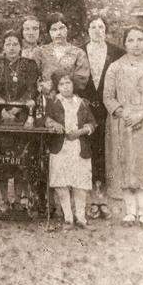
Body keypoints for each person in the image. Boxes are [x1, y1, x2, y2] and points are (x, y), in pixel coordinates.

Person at [103, 27, 143, 230]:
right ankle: (129, 212)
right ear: (125, 43)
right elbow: (108, 97)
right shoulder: (115, 68)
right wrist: (124, 113)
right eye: (131, 40)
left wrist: (142, 114)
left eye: (140, 39)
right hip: (122, 122)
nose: (136, 44)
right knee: (124, 165)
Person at [77, 15, 125, 220]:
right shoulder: (79, 51)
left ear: (106, 30)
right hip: (86, 110)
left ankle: (103, 199)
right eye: (93, 27)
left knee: (104, 154)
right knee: (86, 152)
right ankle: (89, 201)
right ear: (87, 30)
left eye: (101, 27)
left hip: (107, 111)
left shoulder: (117, 52)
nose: (97, 30)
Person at [45, 69, 97, 230]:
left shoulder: (82, 102)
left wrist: (80, 132)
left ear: (73, 85)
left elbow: (92, 123)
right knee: (61, 182)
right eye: (61, 84)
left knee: (80, 182)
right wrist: (54, 124)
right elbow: (46, 119)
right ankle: (68, 218)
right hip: (61, 147)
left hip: (79, 147)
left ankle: (81, 217)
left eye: (68, 83)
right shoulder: (53, 102)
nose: (66, 87)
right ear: (57, 87)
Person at [0, 30, 39, 212]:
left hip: (21, 116)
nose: (11, 48)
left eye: (15, 44)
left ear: (20, 47)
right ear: (3, 47)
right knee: (2, 158)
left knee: (21, 157)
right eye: (8, 44)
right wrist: (2, 107)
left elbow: (32, 89)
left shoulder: (29, 64)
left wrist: (17, 108)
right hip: (1, 116)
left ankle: (19, 199)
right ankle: (5, 200)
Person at [32, 13, 90, 97]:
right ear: (49, 32)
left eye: (61, 28)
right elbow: (32, 77)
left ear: (67, 29)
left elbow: (82, 79)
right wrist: (41, 86)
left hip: (70, 99)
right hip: (46, 99)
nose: (58, 33)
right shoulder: (40, 52)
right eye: (54, 30)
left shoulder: (78, 53)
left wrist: (56, 85)